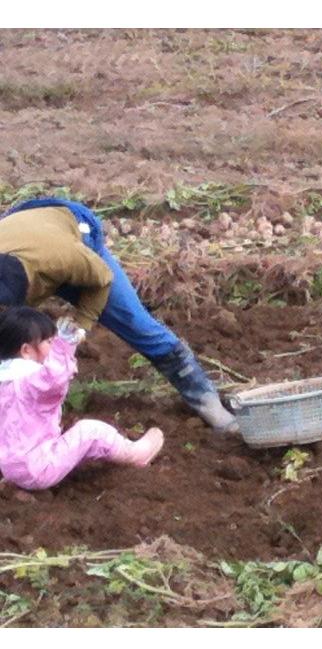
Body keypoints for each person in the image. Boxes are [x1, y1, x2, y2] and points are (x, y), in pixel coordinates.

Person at [0, 197, 237, 432]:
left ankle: (207, 403)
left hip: (74, 227)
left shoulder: (65, 258)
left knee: (137, 325)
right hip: (20, 225)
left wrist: (82, 324)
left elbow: (102, 279)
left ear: (28, 290)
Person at [0, 306, 164, 491]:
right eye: (49, 342)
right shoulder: (29, 381)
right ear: (26, 350)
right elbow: (54, 379)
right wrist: (63, 347)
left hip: (10, 466)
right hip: (38, 468)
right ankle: (135, 454)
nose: (52, 346)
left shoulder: (5, 378)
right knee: (90, 431)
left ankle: (16, 478)